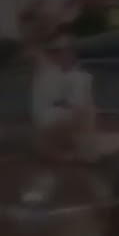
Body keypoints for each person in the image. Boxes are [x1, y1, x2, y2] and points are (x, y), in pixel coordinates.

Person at [31, 32, 97, 162]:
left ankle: (84, 152)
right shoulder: (46, 77)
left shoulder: (81, 76)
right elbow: (45, 108)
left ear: (72, 52)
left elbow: (86, 101)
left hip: (70, 124)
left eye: (67, 50)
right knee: (84, 113)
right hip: (48, 122)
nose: (63, 54)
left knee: (88, 112)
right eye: (57, 51)